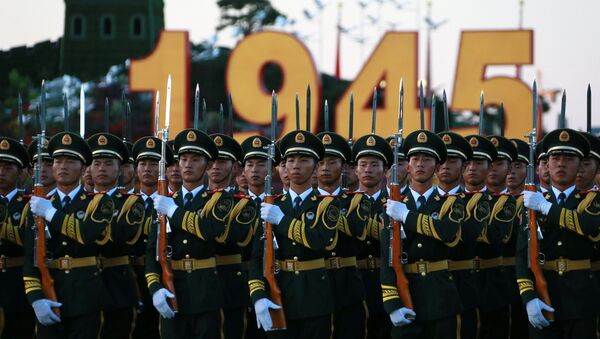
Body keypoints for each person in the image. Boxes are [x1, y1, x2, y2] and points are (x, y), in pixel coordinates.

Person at [148, 128, 242, 338]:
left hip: (207, 293)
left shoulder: (219, 200)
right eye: (183, 159)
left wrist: (172, 210)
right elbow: (152, 251)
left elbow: (208, 230)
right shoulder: (166, 201)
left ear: (208, 166)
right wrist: (155, 287)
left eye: (195, 159)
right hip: (172, 291)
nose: (188, 164)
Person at [248, 129, 340, 338]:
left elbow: (318, 240)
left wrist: (281, 220)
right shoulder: (271, 205)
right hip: (278, 295)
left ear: (316, 167)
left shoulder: (327, 205)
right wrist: (258, 295)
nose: (296, 165)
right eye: (290, 160)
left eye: (304, 159)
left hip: (315, 299)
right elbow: (257, 257)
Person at [24, 132, 114, 339]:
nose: (62, 166)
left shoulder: (99, 202)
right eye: (57, 161)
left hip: (86, 296)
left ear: (83, 169)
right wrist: (36, 297)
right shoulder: (38, 204)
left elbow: (87, 234)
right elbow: (31, 256)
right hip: (49, 293)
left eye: (70, 161)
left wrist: (50, 213)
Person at [517, 128, 600, 339]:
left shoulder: (593, 202)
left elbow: (591, 227)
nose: (561, 163)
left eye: (569, 158)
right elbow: (522, 254)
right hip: (544, 297)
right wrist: (529, 297)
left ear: (580, 165)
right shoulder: (531, 204)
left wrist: (547, 208)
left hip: (582, 297)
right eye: (555, 157)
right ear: (547, 163)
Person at [383, 130, 463, 339]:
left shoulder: (451, 203)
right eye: (415, 159)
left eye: (427, 159)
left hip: (441, 298)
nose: (420, 164)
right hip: (405, 296)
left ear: (437, 168)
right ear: (407, 166)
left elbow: (447, 233)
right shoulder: (393, 204)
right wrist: (392, 303)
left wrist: (406, 215)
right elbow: (387, 259)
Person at [86, 132, 145, 339]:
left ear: (120, 169)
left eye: (109, 163)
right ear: (88, 168)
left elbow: (120, 237)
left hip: (118, 284)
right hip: (80, 285)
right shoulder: (77, 202)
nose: (102, 168)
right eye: (97, 163)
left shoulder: (130, 202)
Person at [316, 131, 367, 339]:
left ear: (345, 166)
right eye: (319, 162)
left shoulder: (356, 201)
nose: (325, 168)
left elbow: (358, 232)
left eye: (332, 161)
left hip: (349, 285)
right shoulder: (302, 203)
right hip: (314, 284)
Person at [208, 133, 257, 339]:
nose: (215, 167)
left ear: (235, 168)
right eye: (211, 161)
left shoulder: (243, 203)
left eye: (222, 161)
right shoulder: (188, 202)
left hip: (231, 282)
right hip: (196, 285)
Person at [130, 136, 173, 339]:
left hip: (164, 276)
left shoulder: (173, 204)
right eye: (143, 163)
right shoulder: (125, 203)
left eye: (154, 163)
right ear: (136, 168)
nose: (147, 168)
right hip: (131, 277)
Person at [0, 137, 35, 339]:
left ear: (21, 172)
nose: (1, 172)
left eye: (7, 167)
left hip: (17, 283)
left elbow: (27, 240)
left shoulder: (29, 205)